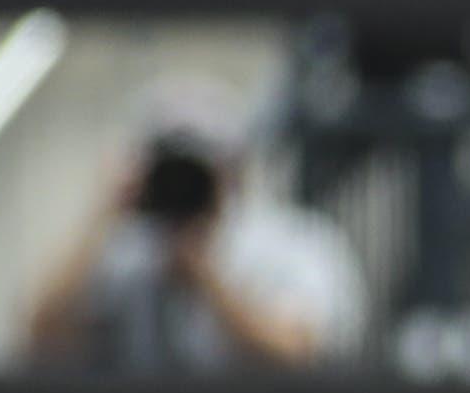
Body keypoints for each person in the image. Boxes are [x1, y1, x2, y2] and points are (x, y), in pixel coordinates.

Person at [24, 82, 366, 374]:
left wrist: (205, 276)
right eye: (167, 167)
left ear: (235, 170)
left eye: (198, 167)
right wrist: (102, 214)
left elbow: (296, 351)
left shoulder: (292, 243)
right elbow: (40, 334)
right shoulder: (127, 252)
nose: (181, 184)